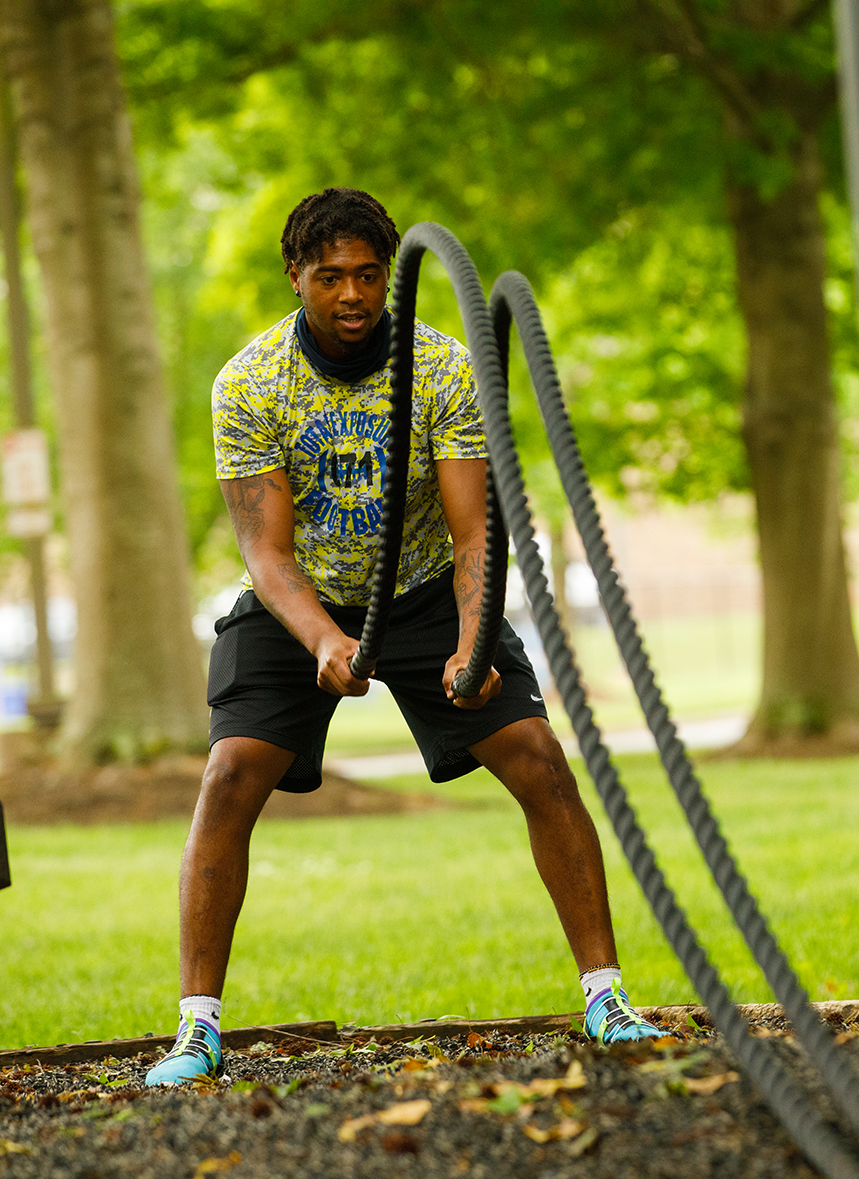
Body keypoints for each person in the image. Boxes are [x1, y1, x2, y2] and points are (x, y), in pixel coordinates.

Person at [147, 188, 661, 1087]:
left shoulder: (443, 367)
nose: (351, 294)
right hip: (297, 601)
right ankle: (196, 1030)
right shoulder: (250, 381)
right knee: (230, 774)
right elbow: (266, 557)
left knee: (540, 758)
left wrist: (470, 643)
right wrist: (319, 641)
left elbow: (475, 534)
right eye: (330, 276)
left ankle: (606, 995)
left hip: (427, 590)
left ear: (390, 274)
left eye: (369, 275)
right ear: (296, 277)